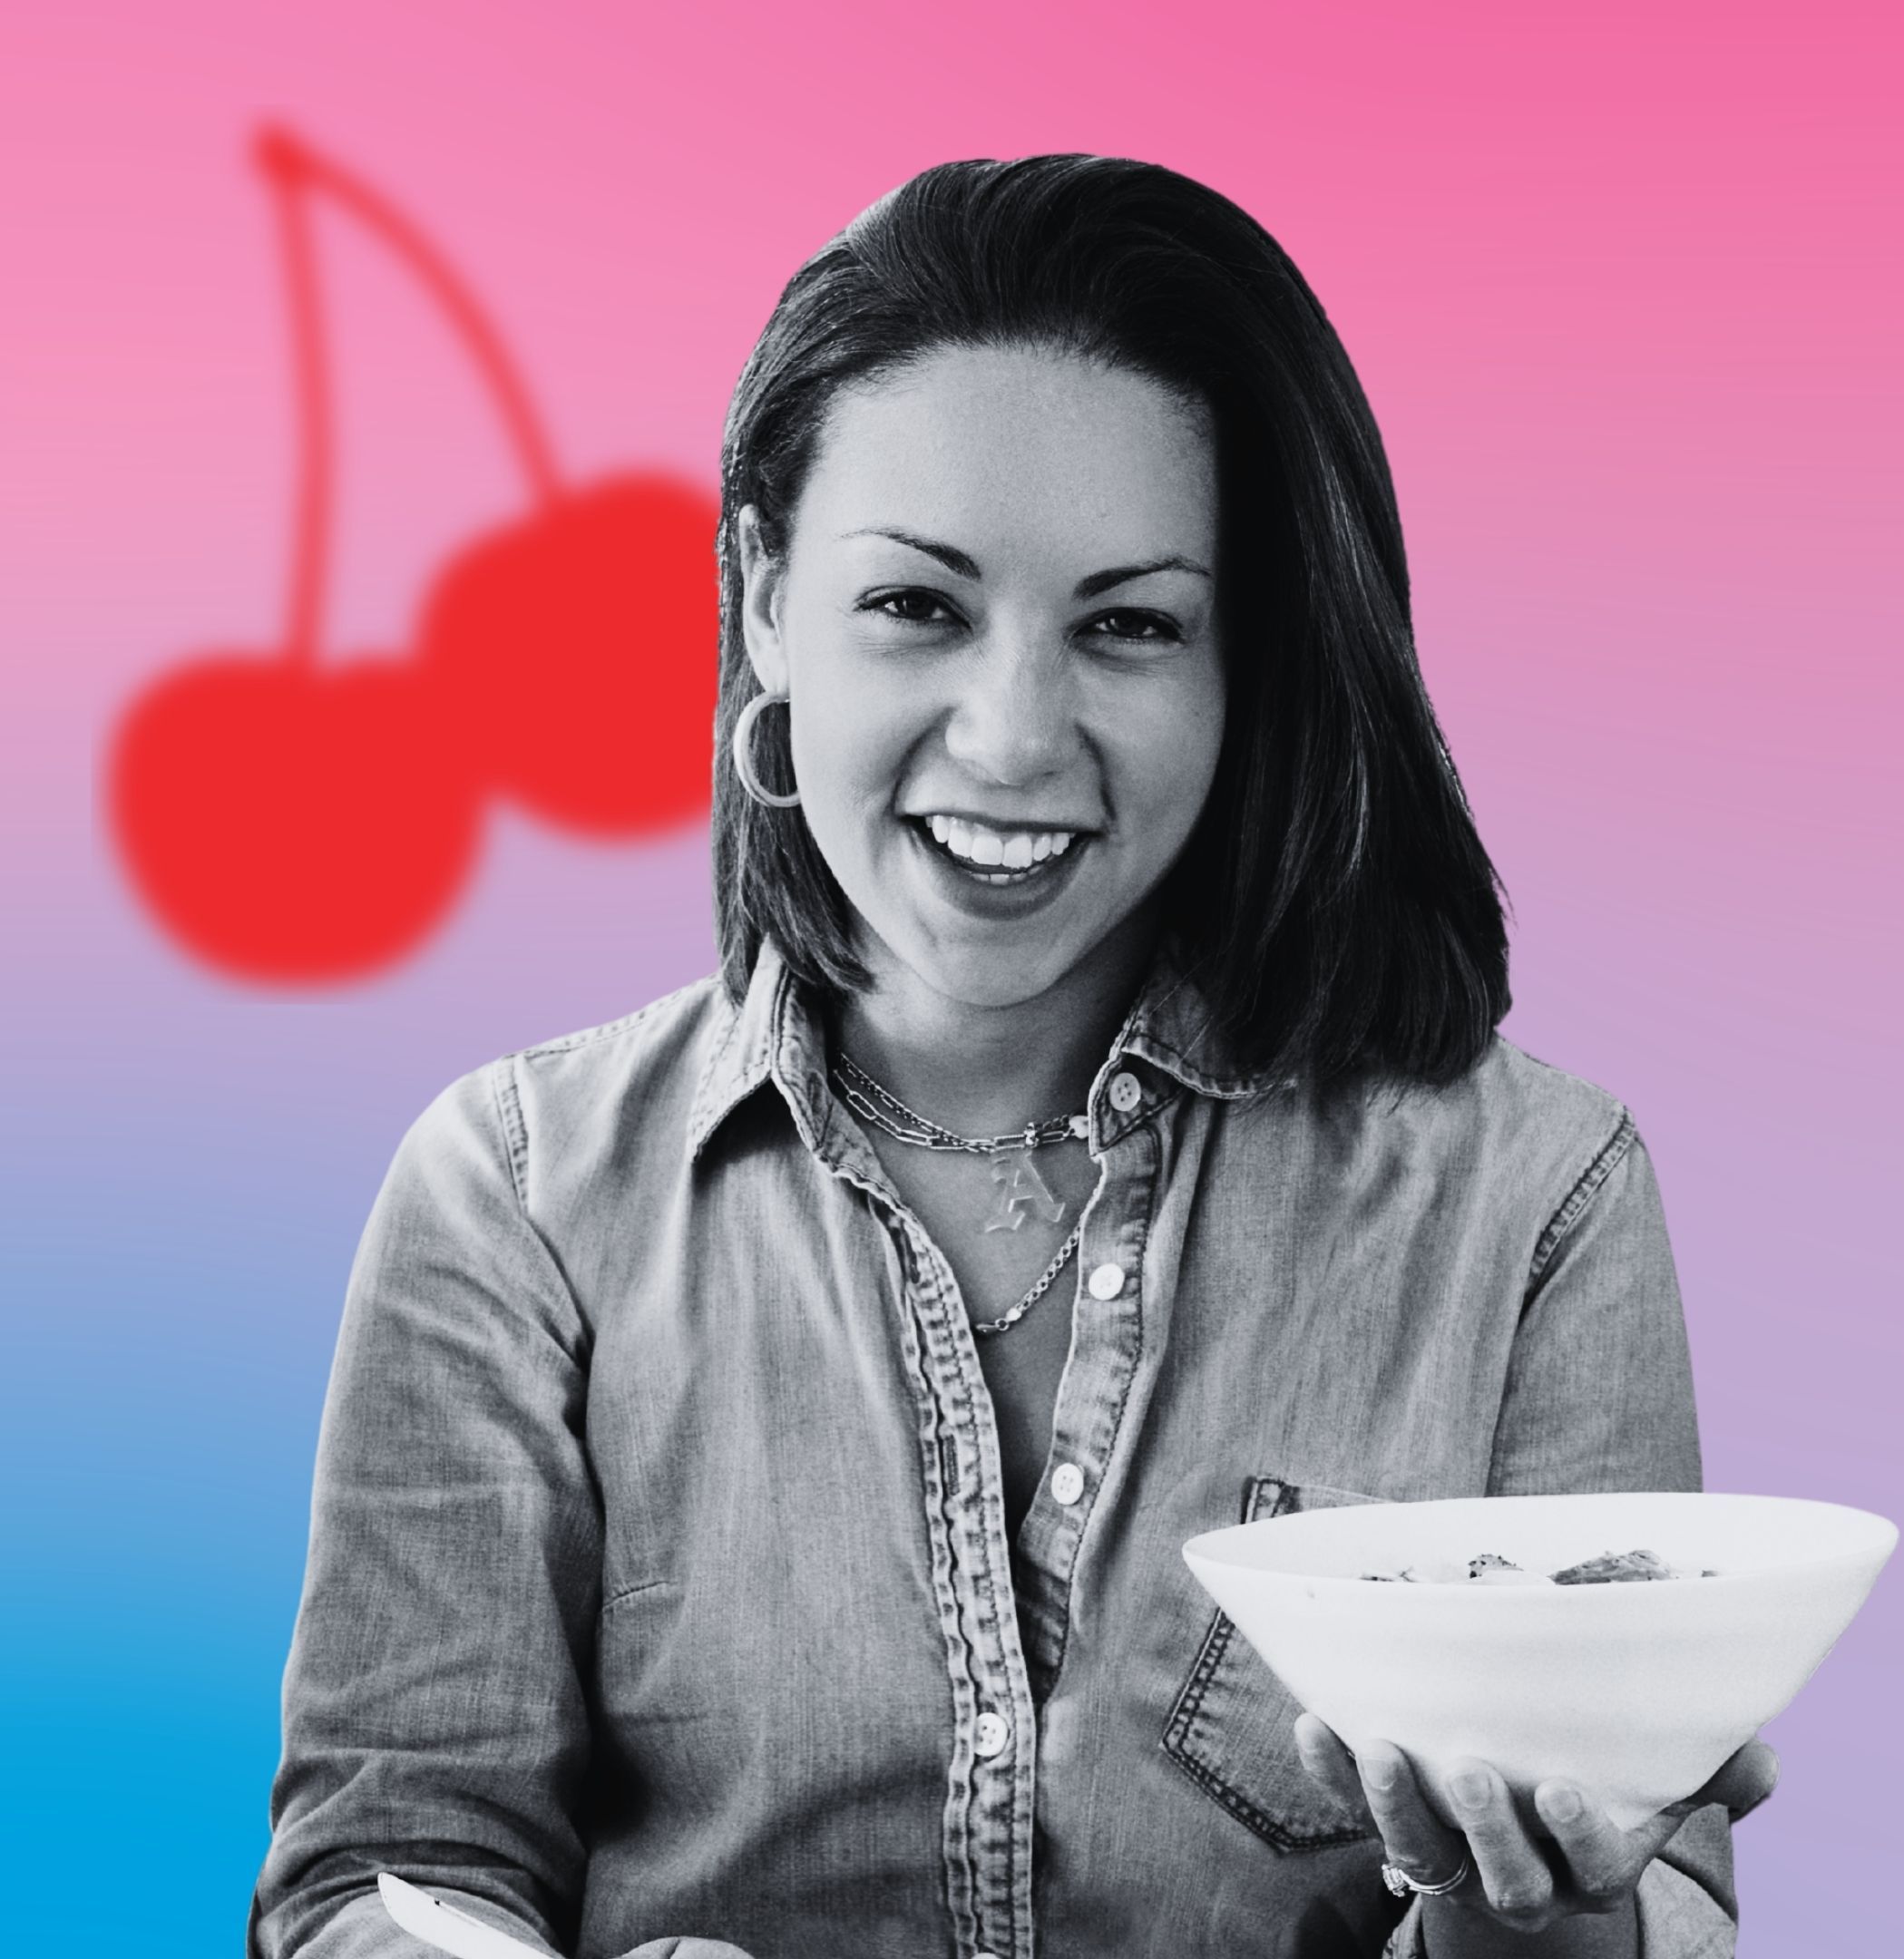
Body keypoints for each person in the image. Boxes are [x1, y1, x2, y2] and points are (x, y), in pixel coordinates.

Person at [249, 156, 1776, 1959]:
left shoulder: (1534, 1202)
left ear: (1242, 669)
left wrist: (1539, 1913)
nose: (1014, 734)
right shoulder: (515, 1203)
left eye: (1130, 625)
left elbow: (1655, 1902)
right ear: (764, 598)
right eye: (919, 606)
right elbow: (377, 1875)